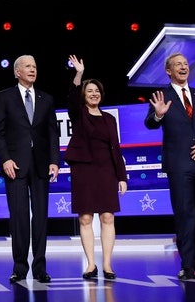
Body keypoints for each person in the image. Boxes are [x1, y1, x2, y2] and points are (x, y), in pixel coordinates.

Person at [144, 52, 195, 280]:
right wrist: (158, 115)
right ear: (169, 71)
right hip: (179, 165)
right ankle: (187, 264)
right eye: (178, 64)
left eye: (185, 64)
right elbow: (149, 124)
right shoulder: (162, 97)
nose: (183, 67)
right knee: (185, 214)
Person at [0, 54, 60, 283]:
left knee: (40, 217)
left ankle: (40, 267)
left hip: (41, 165)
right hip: (15, 165)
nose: (32, 69)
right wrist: (5, 160)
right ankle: (19, 267)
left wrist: (54, 160)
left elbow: (52, 132)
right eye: (28, 66)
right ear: (17, 72)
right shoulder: (4, 97)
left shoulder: (46, 98)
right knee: (19, 217)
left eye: (35, 66)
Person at [64, 55, 128, 280]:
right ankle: (90, 265)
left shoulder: (110, 119)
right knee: (85, 219)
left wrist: (122, 177)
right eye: (89, 91)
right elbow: (72, 97)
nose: (94, 94)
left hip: (106, 171)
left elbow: (116, 148)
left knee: (108, 217)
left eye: (97, 91)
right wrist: (79, 74)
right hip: (84, 170)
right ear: (84, 94)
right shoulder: (79, 113)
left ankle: (108, 265)